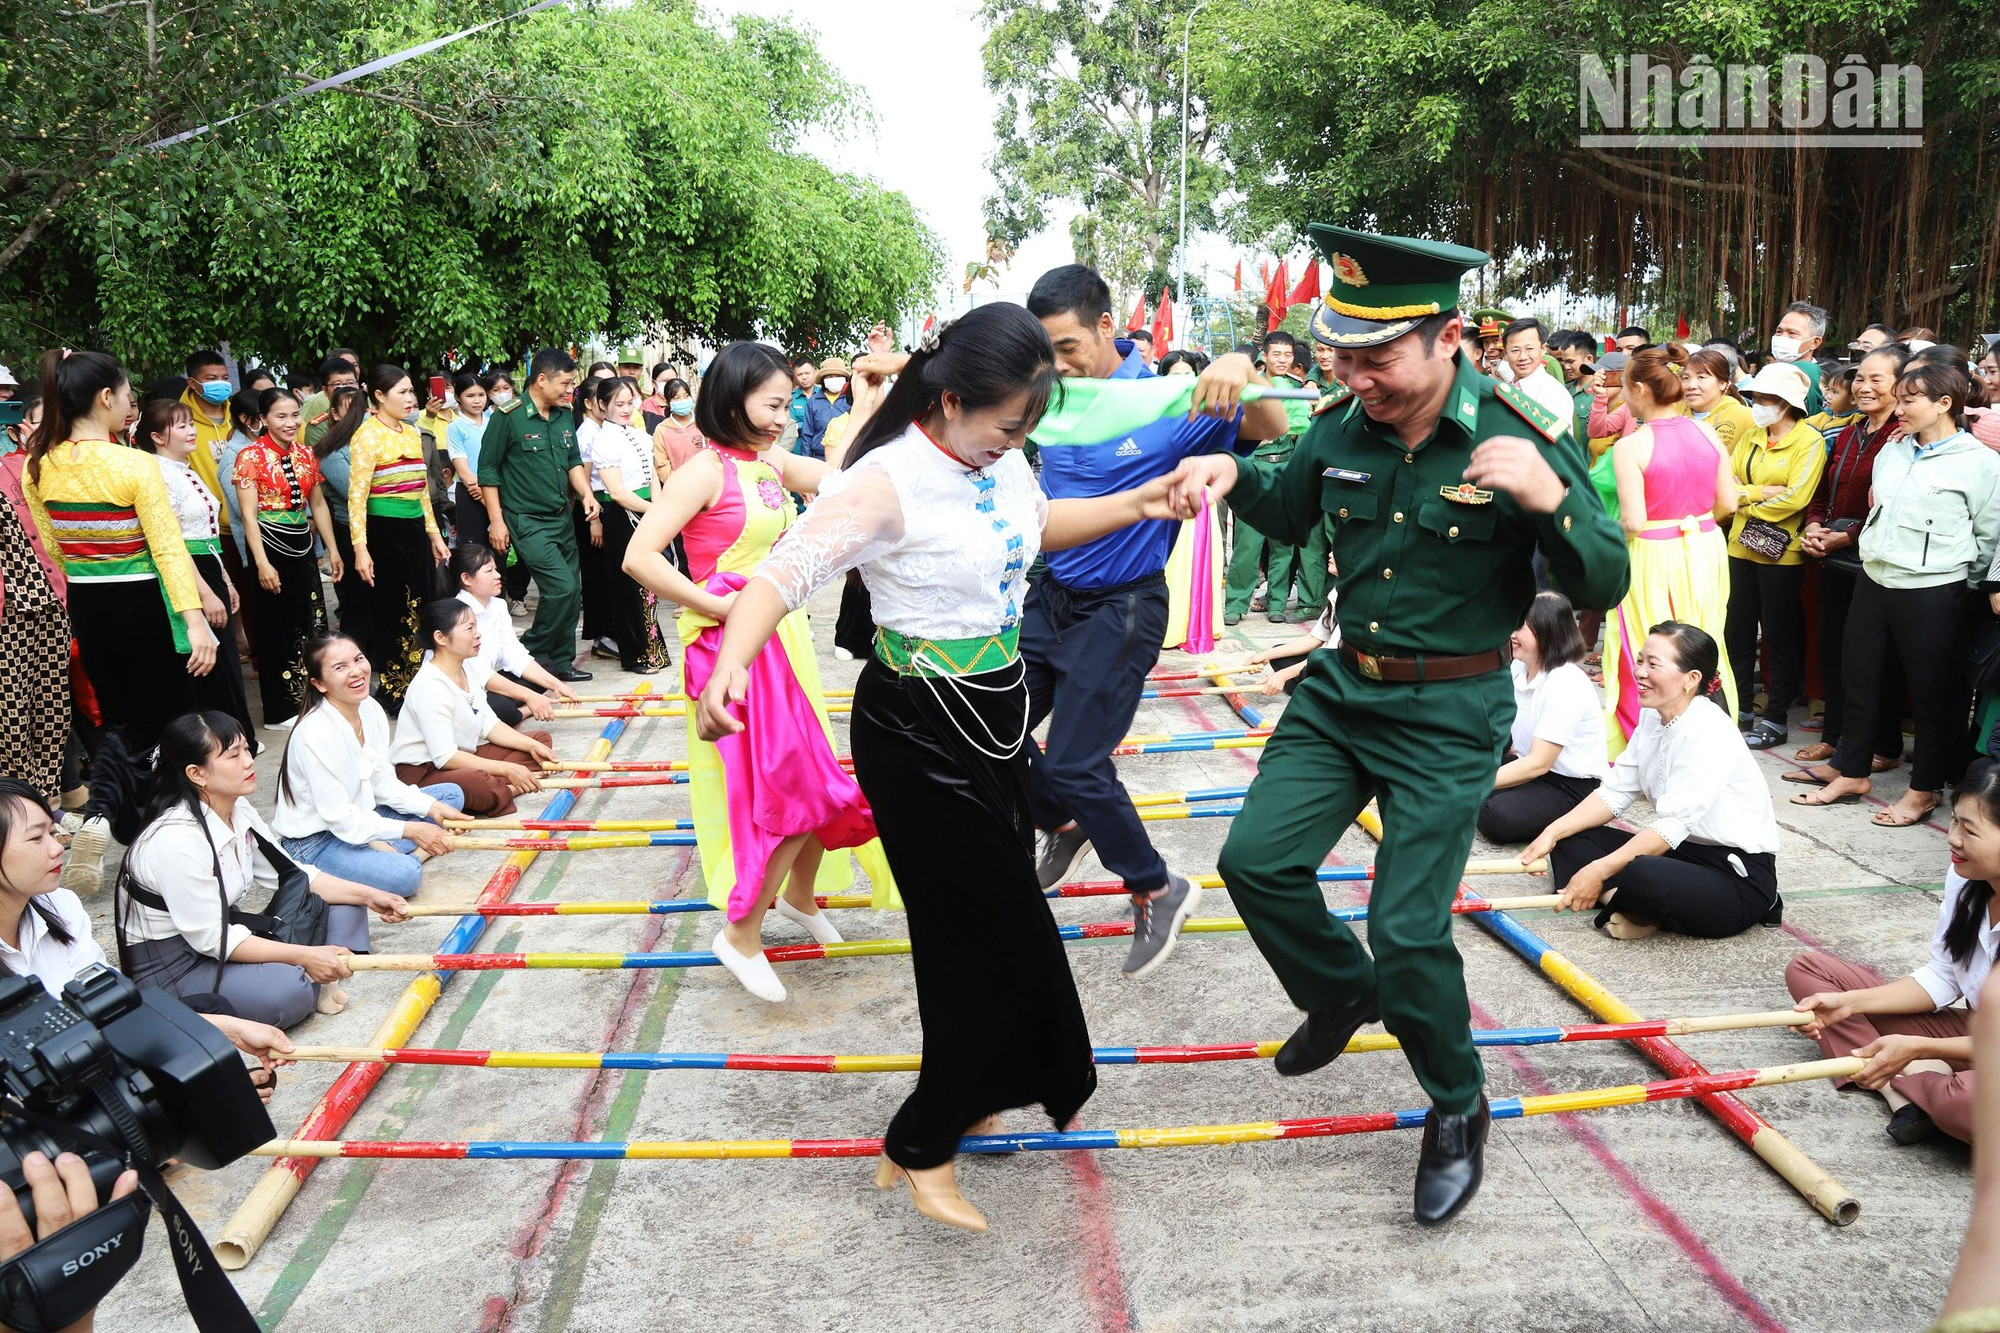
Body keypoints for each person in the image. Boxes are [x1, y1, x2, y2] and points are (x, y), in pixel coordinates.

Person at [1167, 224, 1628, 1225]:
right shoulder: (1339, 423)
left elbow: (1605, 578)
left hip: (1451, 710)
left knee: (1408, 926)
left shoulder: (1516, 432)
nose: (1354, 374)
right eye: (1340, 354)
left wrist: (1551, 500)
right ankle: (1339, 991)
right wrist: (1227, 477)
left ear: (1446, 336)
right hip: (1342, 693)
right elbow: (1288, 508)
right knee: (1253, 862)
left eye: (1375, 356)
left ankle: (1455, 1102)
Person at [696, 302, 1191, 1230]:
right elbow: (780, 576)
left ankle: (961, 1101)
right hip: (917, 732)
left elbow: (1034, 527)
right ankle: (924, 1142)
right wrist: (728, 666)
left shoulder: (999, 462)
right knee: (1001, 940)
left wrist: (1141, 500)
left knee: (971, 938)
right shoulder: (888, 482)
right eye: (1007, 424)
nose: (1017, 441)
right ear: (954, 398)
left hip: (995, 718)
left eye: (1027, 427)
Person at [1024, 262, 1288, 979]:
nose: (1058, 363)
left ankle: (1155, 885)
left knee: (1077, 761)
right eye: (1045, 350)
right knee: (985, 728)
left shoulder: (1167, 398)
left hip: (1122, 605)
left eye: (1069, 346)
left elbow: (1272, 422)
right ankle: (1066, 821)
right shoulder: (1051, 398)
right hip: (1049, 597)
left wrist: (1239, 364)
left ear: (1108, 326)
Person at [623, 342, 895, 1002]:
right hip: (730, 648)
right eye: (771, 404)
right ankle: (742, 932)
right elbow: (640, 555)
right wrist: (717, 602)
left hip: (780, 633)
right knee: (791, 785)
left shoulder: (766, 462)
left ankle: (799, 895)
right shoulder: (704, 470)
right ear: (732, 397)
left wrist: (864, 399)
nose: (782, 417)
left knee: (816, 775)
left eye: (784, 406)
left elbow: (839, 477)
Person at [25, 351, 218, 893]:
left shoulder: (41, 463)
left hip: (90, 603)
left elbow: (57, 551)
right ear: (105, 399)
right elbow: (168, 551)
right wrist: (195, 621)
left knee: (119, 722)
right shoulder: (133, 463)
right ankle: (171, 832)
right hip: (143, 603)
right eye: (128, 394)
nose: (132, 403)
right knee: (174, 724)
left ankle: (111, 820)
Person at [1792, 357, 2000, 825]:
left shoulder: (1981, 465)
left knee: (1930, 694)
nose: (1899, 408)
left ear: (1945, 403)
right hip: (1876, 576)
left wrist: (1962, 587)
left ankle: (1923, 788)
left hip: (1934, 589)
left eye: (1909, 401)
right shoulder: (1895, 450)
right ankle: (1852, 768)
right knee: (1860, 676)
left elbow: (1988, 536)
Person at [0, 776, 296, 1104]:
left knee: (209, 1025)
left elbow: (105, 1011)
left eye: (52, 833)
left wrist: (227, 1029)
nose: (57, 848)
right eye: (35, 838)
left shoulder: (61, 905)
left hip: (81, 1063)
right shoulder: (174, 838)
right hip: (31, 1101)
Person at [118, 712, 409, 1026]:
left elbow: (291, 874)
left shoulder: (236, 806)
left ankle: (313, 972)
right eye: (233, 755)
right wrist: (304, 956)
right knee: (286, 993)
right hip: (178, 964)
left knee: (347, 905)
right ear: (196, 773)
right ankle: (310, 975)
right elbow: (213, 939)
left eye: (246, 749)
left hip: (222, 934)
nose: (249, 761)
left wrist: (370, 896)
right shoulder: (176, 840)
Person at [1522, 621, 1780, 941]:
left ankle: (1634, 903)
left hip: (1734, 874)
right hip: (1679, 854)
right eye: (1640, 660)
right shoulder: (1652, 714)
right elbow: (1616, 792)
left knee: (1643, 874)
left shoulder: (1709, 731)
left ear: (1692, 679)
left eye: (1653, 664)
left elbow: (1671, 827)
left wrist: (1599, 870)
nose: (1640, 672)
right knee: (1572, 839)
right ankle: (1636, 905)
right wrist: (1552, 831)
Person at [1788, 757, 1999, 1145]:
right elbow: (1944, 976)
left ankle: (1905, 1079)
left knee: (1972, 1103)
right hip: (1977, 1034)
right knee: (1811, 972)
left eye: (1969, 829)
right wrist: (1851, 1002)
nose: (1952, 837)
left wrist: (1919, 1046)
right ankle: (1906, 1087)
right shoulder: (1967, 875)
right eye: (1954, 821)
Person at [1600, 346, 1739, 751]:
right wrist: (1692, 521)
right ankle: (1706, 740)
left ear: (1640, 388)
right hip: (1705, 548)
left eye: (1624, 386)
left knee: (1647, 649)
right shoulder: (1707, 431)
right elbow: (1728, 504)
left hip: (1653, 553)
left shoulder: (1631, 446)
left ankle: (1640, 747)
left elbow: (1633, 522)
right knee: (1705, 643)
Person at [271, 633, 461, 897]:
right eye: (340, 667)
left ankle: (386, 849)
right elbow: (340, 820)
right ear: (319, 683)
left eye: (358, 659)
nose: (356, 671)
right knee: (404, 876)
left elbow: (383, 782)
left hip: (363, 815)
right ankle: (398, 854)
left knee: (449, 796)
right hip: (318, 841)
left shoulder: (370, 707)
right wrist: (411, 829)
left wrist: (431, 807)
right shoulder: (315, 733)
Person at [1795, 346, 1911, 772]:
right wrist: (1814, 526)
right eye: (1860, 378)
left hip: (1874, 563)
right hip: (1832, 558)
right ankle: (1835, 737)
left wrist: (1846, 536)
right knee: (1834, 649)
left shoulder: (1904, 437)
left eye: (1876, 379)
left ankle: (1882, 745)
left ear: (1902, 385)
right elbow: (1824, 491)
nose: (1863, 386)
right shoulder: (1848, 431)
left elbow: (1895, 505)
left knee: (1875, 659)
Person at [137, 399, 256, 745]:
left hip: (210, 562)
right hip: (188, 569)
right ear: (158, 436)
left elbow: (208, 535)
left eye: (191, 424)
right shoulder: (158, 475)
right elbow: (172, 540)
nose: (191, 430)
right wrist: (204, 591)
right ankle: (217, 743)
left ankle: (236, 738)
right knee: (208, 661)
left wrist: (227, 582)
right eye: (181, 425)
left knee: (227, 659)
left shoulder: (186, 469)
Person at [477, 348, 599, 682]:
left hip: (562, 516)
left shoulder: (563, 415)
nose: (569, 390)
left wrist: (587, 494)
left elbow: (574, 460)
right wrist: (497, 520)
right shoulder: (508, 417)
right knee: (559, 587)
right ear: (541, 379)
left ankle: (560, 662)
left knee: (571, 591)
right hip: (526, 519)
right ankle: (526, 653)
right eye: (565, 383)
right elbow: (487, 471)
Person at [330, 366, 448, 707]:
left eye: (412, 391)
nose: (411, 399)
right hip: (384, 533)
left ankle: (421, 686)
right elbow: (357, 498)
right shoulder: (366, 436)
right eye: (402, 392)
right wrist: (360, 550)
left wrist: (434, 536)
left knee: (422, 609)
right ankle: (396, 692)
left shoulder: (413, 433)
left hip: (414, 532)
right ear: (379, 396)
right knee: (393, 613)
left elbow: (422, 492)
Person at [1725, 363, 1828, 750]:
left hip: (1781, 554)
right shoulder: (1752, 435)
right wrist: (1760, 493)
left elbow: (1797, 499)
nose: (1758, 405)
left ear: (1787, 403)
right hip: (1739, 547)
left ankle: (1776, 717)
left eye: (1766, 399)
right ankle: (1739, 708)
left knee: (1779, 638)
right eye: (1754, 398)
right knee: (1736, 632)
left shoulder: (1809, 441)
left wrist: (1744, 497)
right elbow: (1724, 486)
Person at [233, 387, 339, 732]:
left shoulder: (307, 454)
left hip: (301, 544)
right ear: (262, 419)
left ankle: (315, 695)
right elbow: (248, 516)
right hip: (269, 543)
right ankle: (280, 709)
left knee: (310, 618)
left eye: (295, 414)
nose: (290, 422)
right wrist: (261, 563)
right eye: (281, 416)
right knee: (275, 625)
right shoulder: (250, 456)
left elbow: (318, 504)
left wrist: (332, 549)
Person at [390, 600, 556, 817]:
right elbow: (444, 757)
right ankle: (507, 788)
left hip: (462, 758)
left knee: (539, 741)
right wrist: (506, 769)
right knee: (480, 783)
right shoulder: (430, 685)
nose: (477, 634)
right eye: (469, 628)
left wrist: (531, 745)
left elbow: (488, 724)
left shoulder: (467, 667)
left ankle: (503, 786)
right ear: (440, 638)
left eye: (476, 626)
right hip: (425, 772)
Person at [1475, 592, 1607, 843]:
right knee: (1456, 774)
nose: (1512, 634)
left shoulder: (1565, 682)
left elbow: (1539, 763)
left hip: (1567, 785)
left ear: (1547, 631)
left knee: (1497, 817)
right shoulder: (1518, 667)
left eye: (1521, 627)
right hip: (1528, 767)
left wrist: (1471, 785)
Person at [0, 401, 72, 808]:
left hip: (51, 601)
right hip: (8, 613)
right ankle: (18, 806)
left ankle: (47, 802)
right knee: (11, 714)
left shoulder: (32, 466)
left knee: (53, 706)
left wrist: (38, 455)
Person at [583, 377, 671, 673]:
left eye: (629, 402)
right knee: (627, 587)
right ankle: (634, 655)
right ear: (602, 405)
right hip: (622, 516)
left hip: (646, 512)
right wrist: (653, 511)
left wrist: (658, 508)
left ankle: (653, 650)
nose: (625, 408)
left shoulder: (640, 435)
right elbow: (617, 492)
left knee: (649, 586)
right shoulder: (604, 440)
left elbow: (653, 479)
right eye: (618, 404)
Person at [1225, 330, 1307, 626]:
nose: (1283, 360)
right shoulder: (1250, 388)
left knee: (1282, 541)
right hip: (1255, 466)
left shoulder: (1298, 389)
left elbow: (1301, 431)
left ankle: (1277, 601)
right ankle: (1235, 603)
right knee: (1248, 541)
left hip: (1285, 466)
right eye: (1277, 354)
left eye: (1287, 355)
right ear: (1265, 355)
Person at [448, 543, 579, 727]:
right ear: (466, 579)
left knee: (548, 667)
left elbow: (514, 656)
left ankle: (511, 710)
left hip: (486, 684)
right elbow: (479, 675)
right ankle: (521, 711)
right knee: (499, 707)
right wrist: (531, 697)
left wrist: (558, 686)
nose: (497, 575)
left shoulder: (498, 606)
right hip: (465, 691)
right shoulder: (458, 615)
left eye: (496, 569)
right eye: (489, 571)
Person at [311, 383, 370, 643]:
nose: (360, 416)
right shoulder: (332, 452)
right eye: (352, 410)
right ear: (334, 414)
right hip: (349, 530)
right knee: (358, 597)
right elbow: (355, 491)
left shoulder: (374, 441)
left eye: (364, 410)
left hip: (377, 526)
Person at [1680, 348, 1758, 453]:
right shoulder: (1671, 412)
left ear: (1723, 383)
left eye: (1701, 377)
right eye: (1685, 378)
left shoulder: (1746, 417)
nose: (1691, 386)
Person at [444, 372, 490, 545]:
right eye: (470, 396)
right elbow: (464, 472)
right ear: (458, 397)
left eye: (481, 395)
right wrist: (487, 500)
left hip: (497, 490)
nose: (477, 400)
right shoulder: (455, 427)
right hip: (470, 493)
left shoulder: (493, 422)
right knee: (474, 551)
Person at [1502, 319, 1573, 423]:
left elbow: (1558, 438)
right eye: (1515, 350)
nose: (1523, 357)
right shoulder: (1507, 388)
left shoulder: (1553, 394)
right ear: (1505, 354)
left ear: (1543, 349)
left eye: (1530, 348)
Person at [1769, 301, 1829, 414]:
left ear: (1815, 343)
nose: (1782, 337)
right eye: (1779, 331)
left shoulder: (1806, 373)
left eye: (1792, 333)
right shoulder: (1775, 371)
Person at [797, 356, 851, 462]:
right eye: (830, 376)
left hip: (845, 456)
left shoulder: (851, 400)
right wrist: (806, 461)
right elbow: (807, 434)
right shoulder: (813, 401)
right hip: (818, 458)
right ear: (823, 380)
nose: (833, 379)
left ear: (844, 379)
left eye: (837, 376)